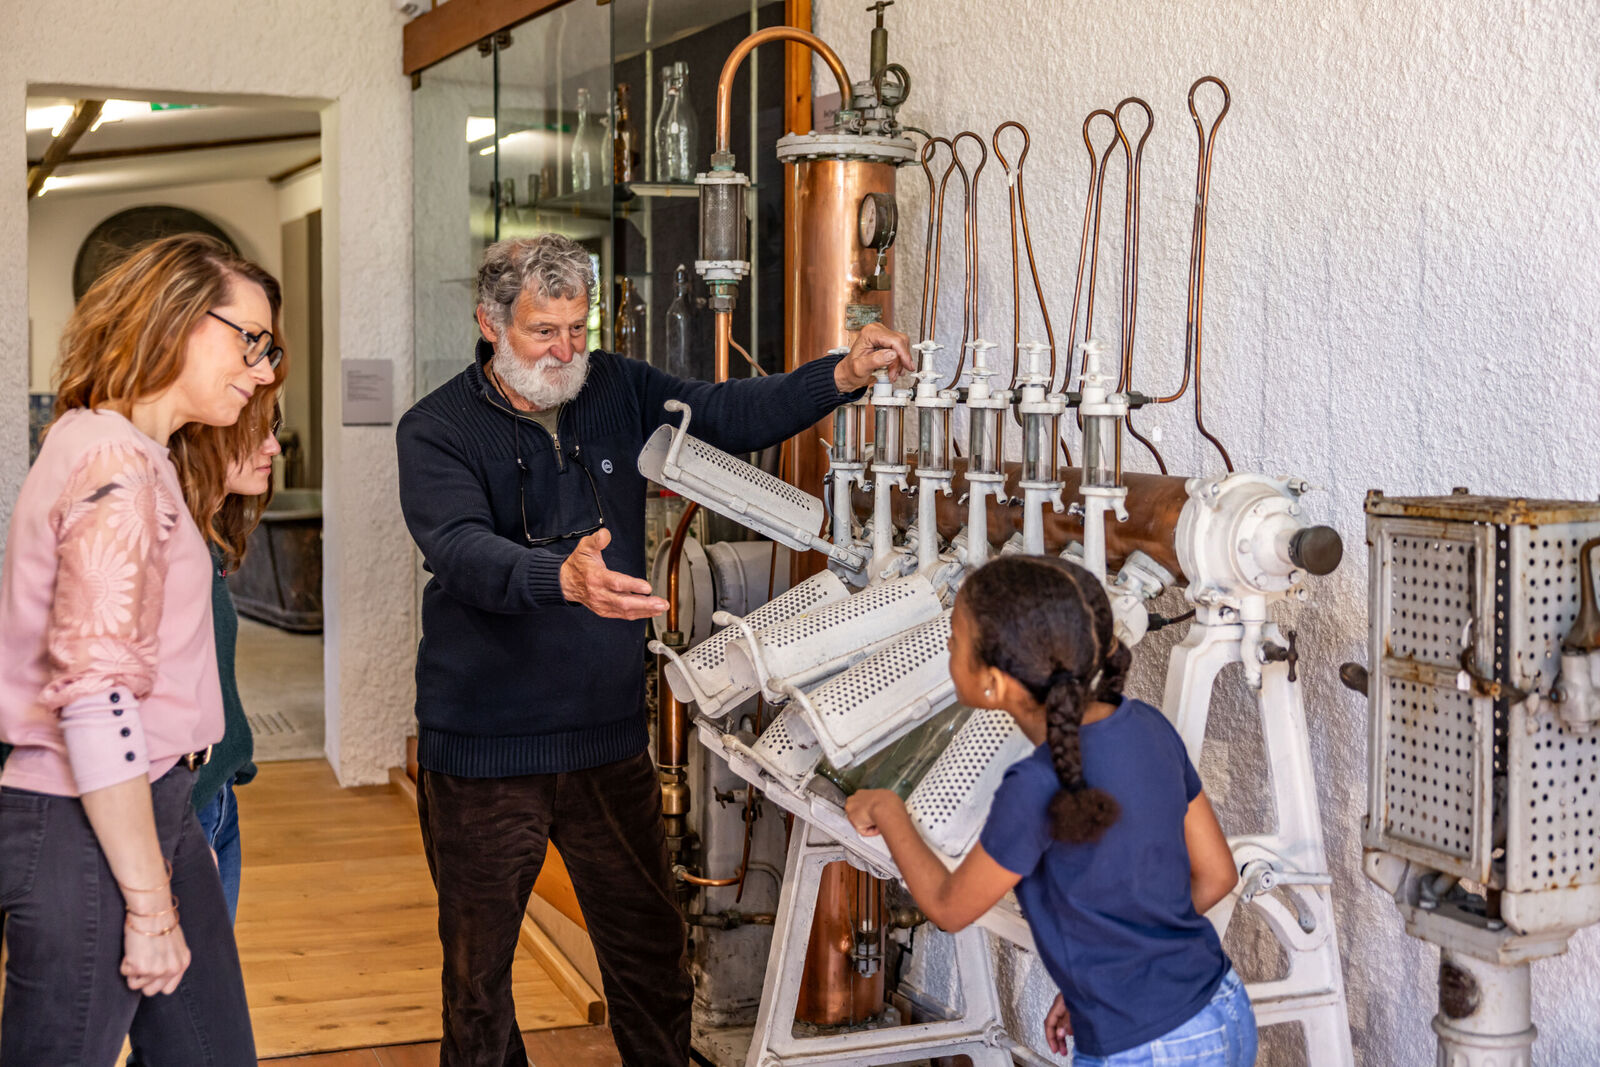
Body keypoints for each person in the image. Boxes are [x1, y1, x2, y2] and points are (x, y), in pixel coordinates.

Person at [396, 232, 913, 1066]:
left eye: (578, 327)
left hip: (605, 740)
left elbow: (732, 412)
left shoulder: (619, 387)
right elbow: (458, 548)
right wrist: (559, 578)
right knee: (479, 988)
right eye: (543, 331)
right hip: (484, 748)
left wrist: (841, 373)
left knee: (651, 961)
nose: (566, 351)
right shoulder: (435, 429)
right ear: (490, 323)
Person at [0, 233, 278, 1064]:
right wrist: (149, 904)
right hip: (86, 823)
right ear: (178, 320)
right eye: (250, 340)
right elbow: (94, 697)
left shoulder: (114, 446)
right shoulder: (116, 461)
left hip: (154, 807)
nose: (262, 370)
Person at [845, 556, 1256, 1066]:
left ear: (994, 683)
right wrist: (1096, 985)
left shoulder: (1034, 786)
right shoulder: (1147, 725)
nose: (948, 647)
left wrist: (888, 810)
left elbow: (950, 908)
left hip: (1146, 1047)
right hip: (1223, 1009)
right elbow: (1216, 876)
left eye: (954, 637)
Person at [170, 323, 286, 925]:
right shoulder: (169, 536)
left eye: (274, 429)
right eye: (256, 431)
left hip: (212, 796)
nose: (272, 447)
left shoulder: (206, 540)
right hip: (184, 813)